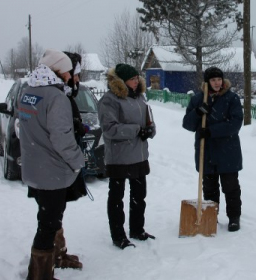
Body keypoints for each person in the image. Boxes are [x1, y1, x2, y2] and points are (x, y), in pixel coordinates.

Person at [18, 49, 85, 279]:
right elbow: (62, 138)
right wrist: (78, 161)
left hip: (35, 168)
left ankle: (56, 258)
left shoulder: (29, 91)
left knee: (49, 218)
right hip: (52, 171)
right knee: (47, 225)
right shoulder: (56, 97)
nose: (70, 76)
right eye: (67, 71)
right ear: (57, 70)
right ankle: (39, 274)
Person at [98, 63, 156, 249]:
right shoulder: (110, 100)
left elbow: (148, 119)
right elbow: (109, 129)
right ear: (122, 81)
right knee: (117, 198)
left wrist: (150, 130)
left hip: (139, 155)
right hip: (119, 157)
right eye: (132, 79)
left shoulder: (140, 97)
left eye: (137, 78)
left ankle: (137, 229)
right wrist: (137, 130)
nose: (136, 81)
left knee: (139, 196)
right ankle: (118, 235)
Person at [182, 67, 243, 232]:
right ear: (207, 82)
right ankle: (211, 216)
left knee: (230, 187)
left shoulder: (231, 98)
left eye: (219, 79)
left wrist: (211, 131)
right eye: (213, 80)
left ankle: (234, 218)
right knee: (209, 187)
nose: (217, 83)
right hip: (206, 151)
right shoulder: (198, 99)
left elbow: (236, 123)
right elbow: (187, 124)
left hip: (228, 150)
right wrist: (197, 112)